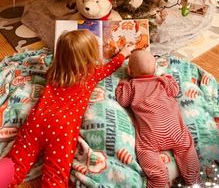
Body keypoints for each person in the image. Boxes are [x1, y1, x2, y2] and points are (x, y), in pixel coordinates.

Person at [0, 29, 132, 188]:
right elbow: (111, 67)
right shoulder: (90, 74)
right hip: (62, 129)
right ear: (89, 57)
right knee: (54, 176)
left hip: (37, 120)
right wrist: (123, 53)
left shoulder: (54, 72)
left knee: (15, 164)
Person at [115, 50, 200, 188]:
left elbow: (123, 101)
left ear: (129, 71)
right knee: (186, 149)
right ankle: (193, 178)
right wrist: (168, 77)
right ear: (155, 69)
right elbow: (175, 90)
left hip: (151, 137)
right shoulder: (162, 80)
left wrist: (122, 84)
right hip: (175, 131)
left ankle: (158, 180)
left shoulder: (132, 85)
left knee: (147, 154)